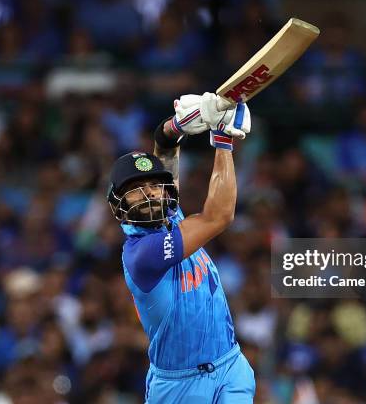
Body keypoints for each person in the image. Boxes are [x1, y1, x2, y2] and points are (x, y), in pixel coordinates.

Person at [106, 93, 255, 403]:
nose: (149, 195)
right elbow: (220, 216)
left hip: (231, 365)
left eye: (153, 185)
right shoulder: (141, 254)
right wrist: (223, 138)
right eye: (135, 190)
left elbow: (164, 146)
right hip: (179, 386)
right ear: (119, 205)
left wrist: (178, 124)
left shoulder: (170, 214)